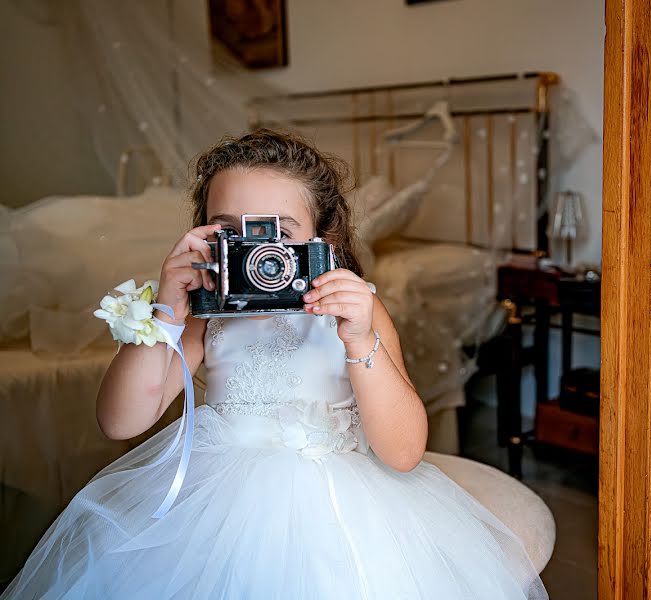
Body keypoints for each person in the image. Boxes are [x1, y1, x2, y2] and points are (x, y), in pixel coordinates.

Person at [2, 129, 548, 599]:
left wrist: (358, 339)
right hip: (211, 502)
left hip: (339, 502)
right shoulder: (202, 313)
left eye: (276, 234)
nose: (252, 250)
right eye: (228, 230)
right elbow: (120, 421)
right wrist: (168, 306)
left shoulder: (354, 308)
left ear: (320, 240)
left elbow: (402, 452)